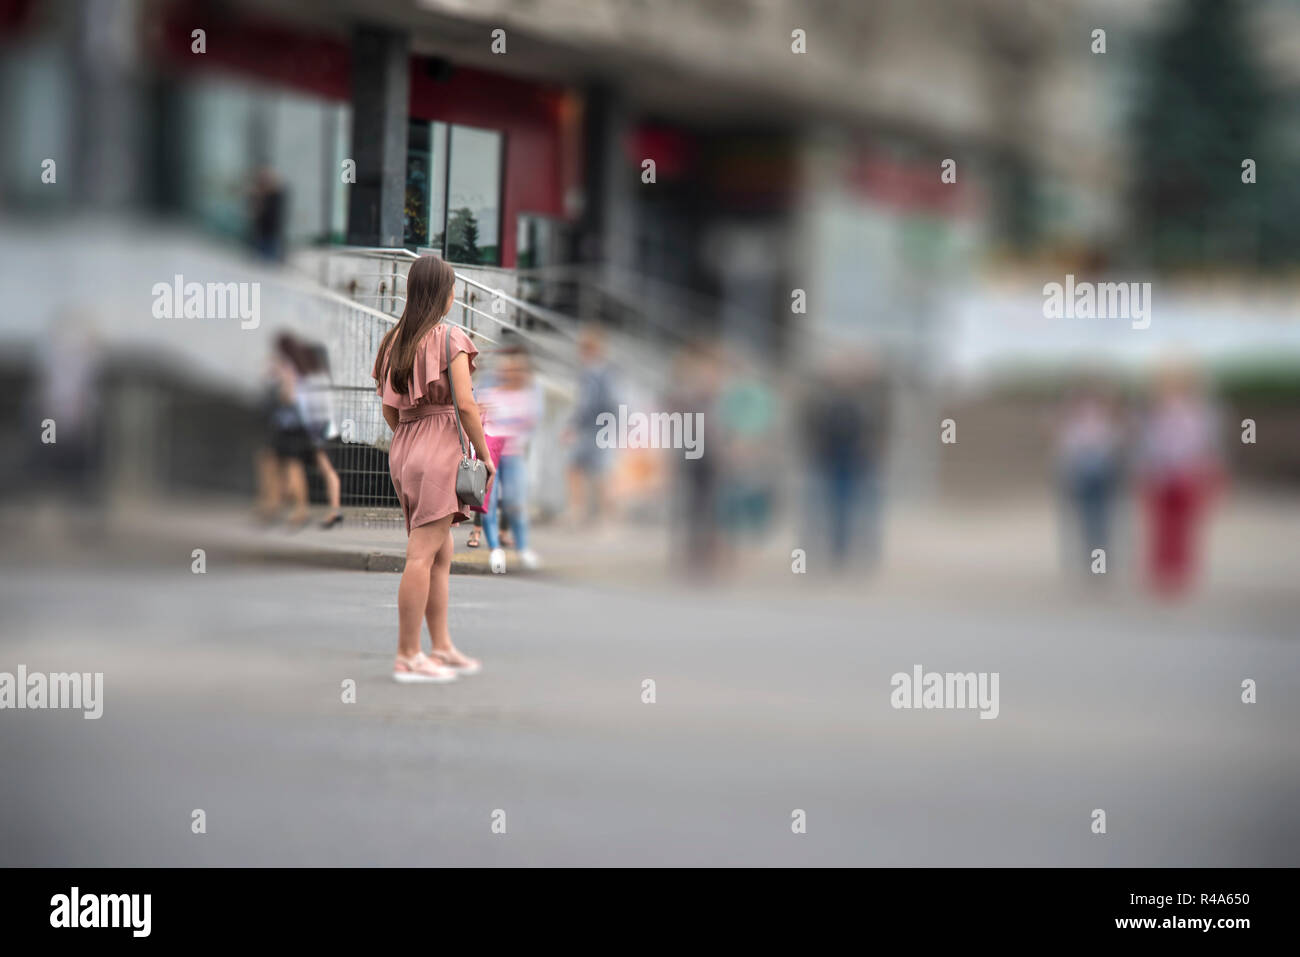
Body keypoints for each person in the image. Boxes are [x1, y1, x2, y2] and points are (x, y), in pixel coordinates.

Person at [373, 255, 493, 683]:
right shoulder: (450, 339)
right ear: (443, 292)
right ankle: (408, 654)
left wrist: (412, 433)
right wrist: (485, 455)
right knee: (422, 555)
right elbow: (465, 405)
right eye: (453, 286)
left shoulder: (393, 340)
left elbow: (389, 409)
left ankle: (440, 646)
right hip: (440, 450)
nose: (455, 293)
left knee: (441, 552)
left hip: (404, 449)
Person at [1137, 363, 1224, 596]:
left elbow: (1206, 445)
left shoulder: (1201, 414)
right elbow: (1148, 445)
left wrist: (1205, 472)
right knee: (1160, 526)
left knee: (1185, 527)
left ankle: (1181, 571)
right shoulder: (1153, 414)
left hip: (1188, 472)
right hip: (1160, 474)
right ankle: (1161, 572)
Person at [480, 344, 543, 574]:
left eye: (514, 371)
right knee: (489, 502)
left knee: (516, 503)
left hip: (513, 453)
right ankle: (495, 549)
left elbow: (530, 422)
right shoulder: (489, 394)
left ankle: (523, 548)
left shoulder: (526, 395)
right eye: (505, 371)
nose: (509, 374)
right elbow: (480, 421)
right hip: (492, 453)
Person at [1056, 383, 1123, 577]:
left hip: (1101, 474)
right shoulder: (1073, 426)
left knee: (1101, 523)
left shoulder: (1106, 424)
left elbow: (1113, 446)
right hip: (1082, 475)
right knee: (1086, 523)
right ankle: (1092, 564)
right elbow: (1066, 452)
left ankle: (1098, 566)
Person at [566, 324, 616, 524]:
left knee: (580, 469)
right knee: (597, 471)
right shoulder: (607, 372)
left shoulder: (592, 372)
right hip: (603, 426)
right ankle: (603, 516)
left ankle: (582, 511)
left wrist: (573, 425)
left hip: (593, 427)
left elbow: (587, 403)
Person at [293, 340, 344, 528]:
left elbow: (309, 407)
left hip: (316, 430)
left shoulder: (314, 379)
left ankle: (317, 510)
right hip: (322, 429)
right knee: (325, 469)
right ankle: (332, 509)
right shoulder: (322, 378)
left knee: (319, 468)